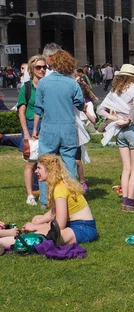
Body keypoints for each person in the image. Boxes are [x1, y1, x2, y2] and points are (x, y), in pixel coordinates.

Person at [0, 154, 98, 249]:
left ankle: (9, 243)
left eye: (39, 168)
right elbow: (55, 211)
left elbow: (59, 225)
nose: (35, 171)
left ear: (49, 170)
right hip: (74, 224)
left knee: (41, 238)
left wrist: (35, 227)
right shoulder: (59, 183)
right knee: (36, 219)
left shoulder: (59, 188)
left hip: (82, 228)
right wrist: (38, 222)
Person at [32, 50, 84, 209]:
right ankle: (71, 197)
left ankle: (45, 200)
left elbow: (38, 108)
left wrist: (35, 129)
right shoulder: (73, 83)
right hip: (68, 126)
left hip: (49, 127)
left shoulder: (43, 83)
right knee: (69, 163)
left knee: (44, 163)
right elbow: (80, 104)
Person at [97, 64, 134, 212]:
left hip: (119, 129)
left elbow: (100, 109)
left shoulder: (114, 91)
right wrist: (130, 119)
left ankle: (125, 199)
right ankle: (130, 202)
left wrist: (113, 118)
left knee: (126, 167)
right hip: (133, 128)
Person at [17, 55, 46, 206]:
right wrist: (27, 134)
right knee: (31, 162)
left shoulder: (48, 86)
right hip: (30, 125)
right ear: (32, 69)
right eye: (38, 67)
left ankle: (44, 191)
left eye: (44, 67)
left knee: (46, 161)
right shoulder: (27, 88)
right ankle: (30, 195)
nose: (42, 70)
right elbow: (21, 112)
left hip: (46, 125)